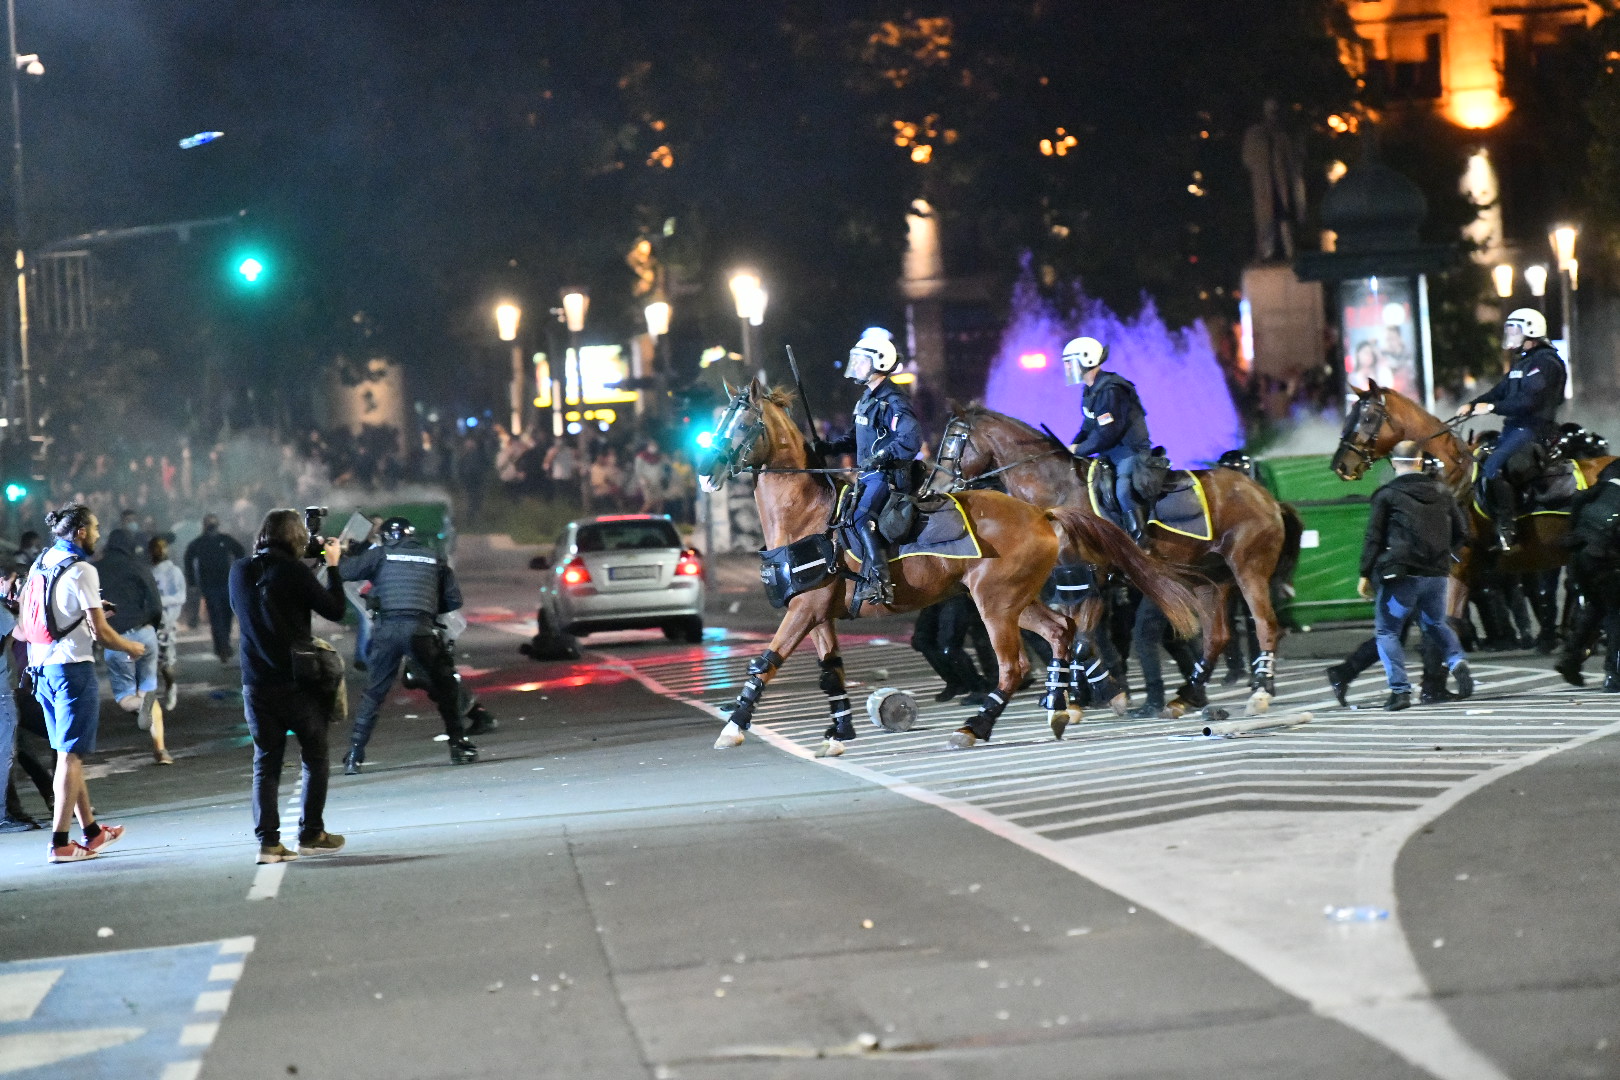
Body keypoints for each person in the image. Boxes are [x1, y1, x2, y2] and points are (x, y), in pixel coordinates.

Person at [26, 504, 148, 863]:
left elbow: (49, 612)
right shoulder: (82, 570)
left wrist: (87, 609)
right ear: (80, 531)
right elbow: (103, 633)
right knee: (71, 756)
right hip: (71, 671)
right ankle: (61, 843)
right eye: (94, 528)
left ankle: (92, 832)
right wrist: (131, 647)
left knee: (68, 754)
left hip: (41, 670)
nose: (97, 534)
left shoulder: (43, 561)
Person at [229, 509, 347, 864]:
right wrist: (334, 565)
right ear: (296, 537)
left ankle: (268, 843)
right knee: (315, 755)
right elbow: (335, 609)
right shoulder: (293, 572)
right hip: (297, 683)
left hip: (255, 683)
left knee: (265, 764)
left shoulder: (239, 570)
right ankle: (311, 833)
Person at [338, 515, 478, 772]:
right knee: (445, 687)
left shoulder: (380, 554)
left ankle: (354, 755)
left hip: (388, 630)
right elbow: (453, 601)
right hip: (421, 630)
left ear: (387, 538)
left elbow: (346, 572)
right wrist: (428, 607)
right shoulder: (434, 557)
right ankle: (458, 745)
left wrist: (337, 552)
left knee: (374, 693)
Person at [1358, 441, 1473, 711]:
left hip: (1401, 573)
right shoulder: (1443, 492)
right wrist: (1446, 555)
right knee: (1435, 624)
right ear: (1420, 462)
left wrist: (1365, 572)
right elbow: (1462, 534)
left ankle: (1400, 691)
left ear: (1393, 463)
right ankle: (1457, 660)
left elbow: (1374, 537)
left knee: (1387, 631)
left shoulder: (1387, 494)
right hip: (1436, 573)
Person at [816, 328, 922, 609]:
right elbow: (854, 439)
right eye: (857, 361)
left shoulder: (893, 401)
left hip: (889, 477)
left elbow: (910, 440)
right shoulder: (866, 400)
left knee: (862, 518)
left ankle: (880, 581)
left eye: (863, 361)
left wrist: (882, 456)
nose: (858, 367)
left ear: (881, 363)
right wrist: (827, 448)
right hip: (869, 475)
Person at [1455, 308, 1567, 550]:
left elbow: (1529, 402)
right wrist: (1473, 405)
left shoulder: (1544, 363)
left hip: (1534, 430)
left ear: (1531, 331)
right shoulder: (1522, 362)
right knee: (1478, 459)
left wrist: (1491, 407)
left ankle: (1507, 527)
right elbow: (1499, 391)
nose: (1510, 335)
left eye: (1514, 330)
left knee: (1493, 467)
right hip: (1515, 429)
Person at [1065, 335, 1153, 544]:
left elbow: (1108, 432)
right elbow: (1088, 426)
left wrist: (1080, 450)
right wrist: (1068, 447)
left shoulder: (1111, 389)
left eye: (1070, 363)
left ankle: (1141, 542)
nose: (1067, 369)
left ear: (1085, 359)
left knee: (1123, 491)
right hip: (1111, 452)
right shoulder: (1091, 390)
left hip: (1129, 452)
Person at [97, 529, 171, 765]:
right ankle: (161, 750)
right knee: (148, 690)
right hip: (145, 633)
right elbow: (155, 603)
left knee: (124, 697)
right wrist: (152, 626)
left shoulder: (96, 570)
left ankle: (140, 705)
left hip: (117, 638)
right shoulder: (138, 566)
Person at [1555, 459, 1620, 690]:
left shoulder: (1600, 490)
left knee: (1594, 607)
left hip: (1578, 556)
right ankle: (1614, 674)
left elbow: (1577, 506)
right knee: (1616, 615)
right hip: (1603, 559)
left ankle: (1570, 659)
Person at [185, 514, 246, 662]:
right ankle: (222, 646)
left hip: (226, 583)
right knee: (216, 616)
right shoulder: (199, 543)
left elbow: (240, 551)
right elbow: (188, 559)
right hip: (209, 586)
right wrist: (192, 581)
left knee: (226, 615)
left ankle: (223, 644)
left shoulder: (224, 540)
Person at [150, 536, 186, 712]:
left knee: (165, 661)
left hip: (166, 623)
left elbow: (181, 596)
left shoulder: (174, 572)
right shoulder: (148, 571)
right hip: (149, 622)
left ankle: (170, 686)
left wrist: (160, 601)